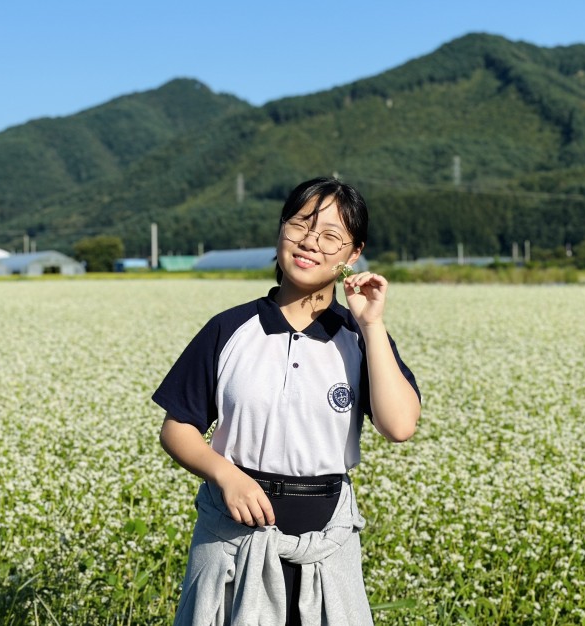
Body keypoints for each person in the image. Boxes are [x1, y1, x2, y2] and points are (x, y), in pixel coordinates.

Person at [154, 177, 421, 625]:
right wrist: (226, 476)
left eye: (331, 236)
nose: (310, 243)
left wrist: (373, 325)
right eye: (300, 225)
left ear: (353, 254)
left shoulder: (359, 337)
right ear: (281, 229)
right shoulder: (230, 329)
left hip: (327, 546)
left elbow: (399, 426)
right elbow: (176, 428)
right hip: (232, 539)